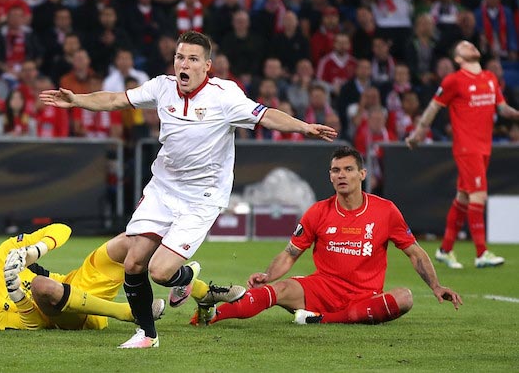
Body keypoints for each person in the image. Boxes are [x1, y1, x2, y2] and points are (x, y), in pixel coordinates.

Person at [39, 30, 337, 348]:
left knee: (161, 271)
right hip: (163, 189)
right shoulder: (162, 87)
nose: (184, 63)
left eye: (192, 59)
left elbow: (266, 116)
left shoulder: (225, 95)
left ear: (206, 66)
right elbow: (114, 100)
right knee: (133, 262)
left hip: (202, 197)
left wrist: (303, 126)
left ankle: (186, 277)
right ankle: (146, 334)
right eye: (180, 57)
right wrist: (76, 101)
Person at [190, 146, 462, 327]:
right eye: (335, 170)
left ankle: (324, 320)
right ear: (330, 177)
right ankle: (210, 316)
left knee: (405, 297)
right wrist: (268, 275)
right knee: (277, 290)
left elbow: (415, 252)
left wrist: (436, 286)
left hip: (364, 296)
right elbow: (290, 253)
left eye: (348, 169)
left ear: (362, 174)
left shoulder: (385, 211)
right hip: (321, 288)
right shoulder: (317, 212)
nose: (341, 175)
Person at [0, 223, 243, 331]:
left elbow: (62, 229)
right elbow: (34, 326)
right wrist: (18, 297)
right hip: (65, 316)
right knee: (41, 285)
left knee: (132, 240)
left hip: (80, 282)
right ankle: (130, 313)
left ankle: (204, 293)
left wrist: (34, 251)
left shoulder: (4, 254)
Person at [406, 40, 519, 269]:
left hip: (484, 146)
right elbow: (434, 106)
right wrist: (419, 132)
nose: (471, 46)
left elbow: (503, 109)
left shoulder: (489, 77)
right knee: (479, 195)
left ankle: (445, 250)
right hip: (466, 147)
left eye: (471, 44)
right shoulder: (454, 80)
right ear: (458, 58)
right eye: (464, 46)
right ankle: (481, 253)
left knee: (464, 198)